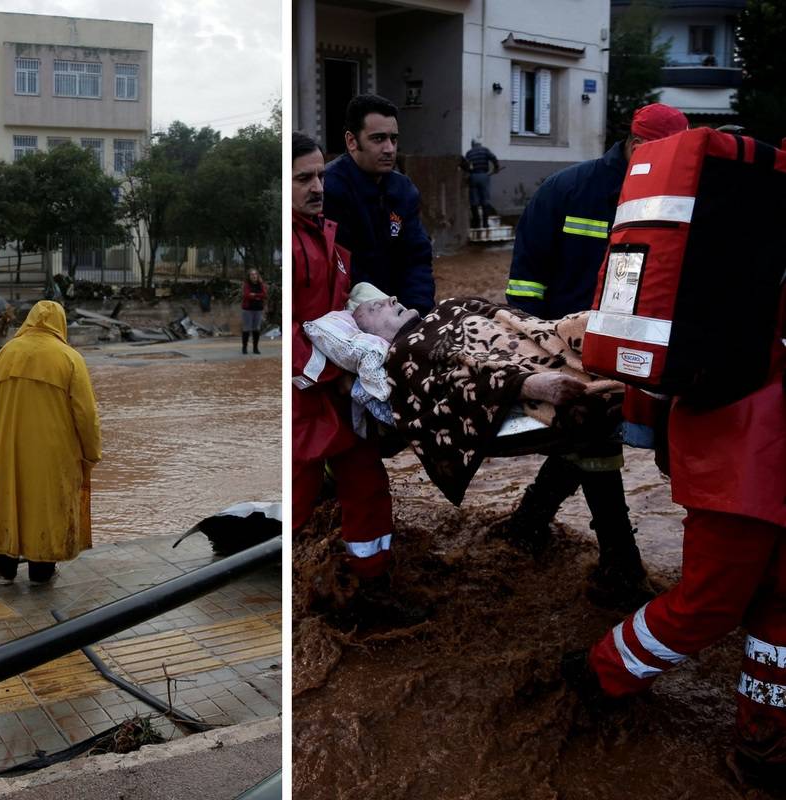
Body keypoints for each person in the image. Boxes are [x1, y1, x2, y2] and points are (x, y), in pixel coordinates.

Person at [564, 285, 786, 790]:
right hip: (744, 455)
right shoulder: (744, 230)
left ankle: (765, 739)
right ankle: (599, 672)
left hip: (747, 446)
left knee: (777, 604)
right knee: (710, 603)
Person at [497, 102, 690, 607]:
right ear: (633, 143)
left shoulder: (675, 199)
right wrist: (531, 349)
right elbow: (524, 284)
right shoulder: (567, 190)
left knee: (585, 439)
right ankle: (621, 567)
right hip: (562, 347)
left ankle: (525, 529)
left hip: (627, 351)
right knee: (594, 441)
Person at [291, 131, 419, 623]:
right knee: (298, 497)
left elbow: (335, 315)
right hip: (307, 400)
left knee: (366, 486)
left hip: (335, 394)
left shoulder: (325, 237)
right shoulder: (294, 241)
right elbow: (295, 334)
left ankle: (370, 586)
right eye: (303, 178)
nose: (317, 186)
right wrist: (338, 379)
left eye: (321, 175)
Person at [353, 293, 625, 509]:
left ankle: (528, 525)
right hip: (520, 371)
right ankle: (531, 525)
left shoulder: (448, 306)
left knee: (585, 328)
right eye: (377, 307)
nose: (391, 300)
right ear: (373, 338)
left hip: (543, 339)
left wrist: (550, 333)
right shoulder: (405, 354)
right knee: (595, 410)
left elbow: (511, 318)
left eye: (387, 299)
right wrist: (524, 385)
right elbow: (452, 388)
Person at [0, 300, 102, 586]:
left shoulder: (5, 354)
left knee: (9, 504)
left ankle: (5, 570)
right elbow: (87, 416)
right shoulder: (70, 359)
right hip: (54, 456)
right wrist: (91, 455)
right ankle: (42, 571)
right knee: (46, 508)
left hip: (10, 454)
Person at [324, 94, 436, 315]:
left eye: (393, 139)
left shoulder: (404, 190)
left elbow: (417, 258)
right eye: (378, 139)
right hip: (352, 314)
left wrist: (417, 314)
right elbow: (343, 272)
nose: (389, 149)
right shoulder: (329, 189)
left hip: (399, 311)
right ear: (351, 141)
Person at [459, 138, 501, 228]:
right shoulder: (485, 150)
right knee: (485, 200)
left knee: (474, 201)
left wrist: (468, 172)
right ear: (480, 144)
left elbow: (465, 164)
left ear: (472, 144)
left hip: (473, 177)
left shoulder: (469, 153)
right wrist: (496, 167)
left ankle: (476, 224)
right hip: (484, 176)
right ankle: (485, 224)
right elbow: (493, 158)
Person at [241, 269, 268, 354]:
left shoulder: (261, 285)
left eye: (255, 274)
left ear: (258, 275)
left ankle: (255, 348)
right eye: (252, 274)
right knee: (246, 328)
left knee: (256, 329)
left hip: (258, 309)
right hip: (248, 309)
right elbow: (246, 295)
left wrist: (254, 295)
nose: (254, 276)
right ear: (249, 276)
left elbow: (264, 295)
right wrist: (258, 296)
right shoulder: (247, 285)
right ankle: (244, 348)